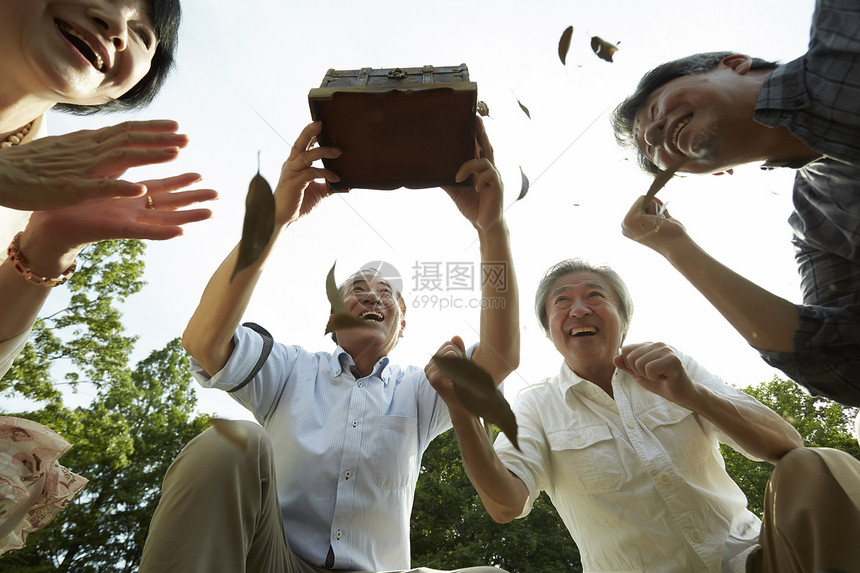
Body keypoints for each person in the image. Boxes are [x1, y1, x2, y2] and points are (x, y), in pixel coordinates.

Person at [138, 117, 520, 573]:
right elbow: (204, 341)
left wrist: (491, 227)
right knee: (230, 443)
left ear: (402, 329)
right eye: (357, 289)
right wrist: (276, 217)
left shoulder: (421, 390)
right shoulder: (289, 371)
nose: (374, 295)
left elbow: (499, 357)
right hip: (276, 562)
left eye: (389, 295)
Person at [428, 258, 860, 572]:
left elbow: (788, 445)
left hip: (756, 559)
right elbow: (505, 504)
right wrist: (461, 412)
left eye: (595, 296)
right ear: (550, 331)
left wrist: (693, 396)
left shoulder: (674, 368)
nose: (579, 309)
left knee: (820, 464)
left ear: (622, 320)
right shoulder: (535, 406)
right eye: (562, 302)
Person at [0, 0, 217, 554]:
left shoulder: (49, 175)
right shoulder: (27, 173)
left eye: (144, 34)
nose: (119, 27)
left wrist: (46, 246)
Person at [610, 0, 860, 407]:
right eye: (653, 149)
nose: (656, 131)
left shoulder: (844, 26)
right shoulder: (814, 226)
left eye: (656, 109)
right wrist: (677, 247)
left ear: (735, 63)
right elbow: (843, 365)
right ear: (715, 173)